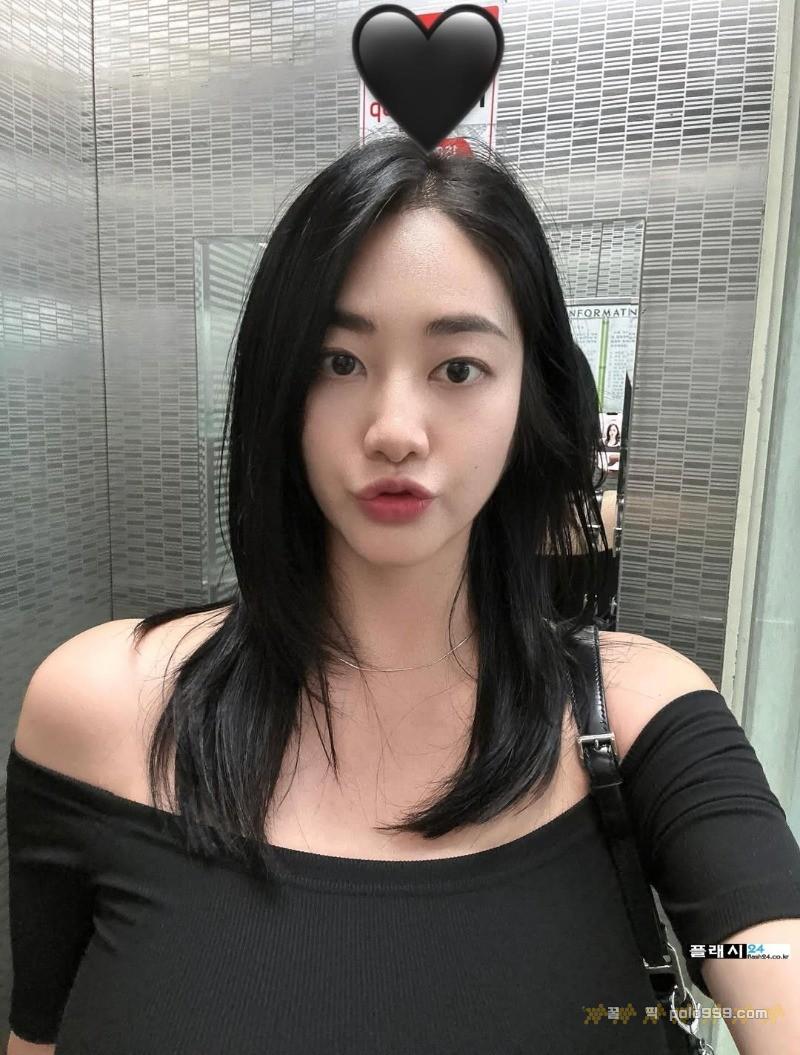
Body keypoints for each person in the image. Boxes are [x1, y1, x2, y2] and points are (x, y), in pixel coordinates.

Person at [7, 133, 800, 1055]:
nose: (394, 429)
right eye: (339, 361)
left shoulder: (636, 715)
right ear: (278, 385)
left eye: (457, 368)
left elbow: (767, 968)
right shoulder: (99, 710)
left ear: (531, 397)